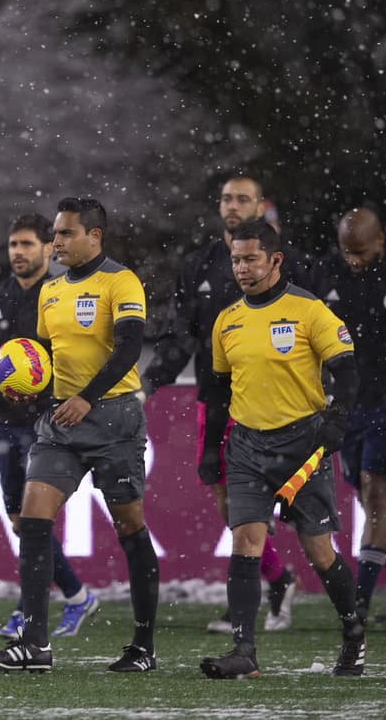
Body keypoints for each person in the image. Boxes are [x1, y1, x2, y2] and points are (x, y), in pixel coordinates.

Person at [0, 197, 159, 673]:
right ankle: (35, 645)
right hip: (60, 421)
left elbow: (130, 348)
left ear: (93, 236)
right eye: (54, 234)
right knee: (33, 520)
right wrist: (27, 388)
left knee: (130, 529)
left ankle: (143, 647)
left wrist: (89, 397)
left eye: (64, 234)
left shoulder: (122, 281)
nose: (55, 241)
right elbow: (46, 356)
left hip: (114, 419)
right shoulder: (51, 292)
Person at [200, 218, 365, 679]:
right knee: (246, 542)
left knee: (318, 552)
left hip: (302, 444)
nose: (242, 268)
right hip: (247, 444)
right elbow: (216, 393)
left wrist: (337, 420)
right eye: (236, 259)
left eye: (251, 259)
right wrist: (212, 451)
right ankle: (244, 652)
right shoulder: (226, 320)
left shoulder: (309, 310)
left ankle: (354, 632)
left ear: (275, 259)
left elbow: (348, 371)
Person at [140, 174, 300, 633]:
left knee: (284, 507)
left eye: (242, 198)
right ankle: (275, 578)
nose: (232, 206)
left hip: (277, 401)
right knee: (226, 495)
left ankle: (340, 601)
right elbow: (180, 334)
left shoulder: (285, 264)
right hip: (218, 399)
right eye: (227, 198)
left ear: (259, 204)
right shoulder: (200, 265)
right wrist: (153, 380)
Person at [0, 212, 99, 639]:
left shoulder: (59, 295)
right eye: (14, 245)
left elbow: (76, 356)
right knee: (21, 521)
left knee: (36, 521)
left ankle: (25, 610)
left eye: (28, 244)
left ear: (47, 249)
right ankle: (77, 596)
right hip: (7, 424)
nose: (18, 252)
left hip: (48, 425)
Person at [310, 207, 386, 624]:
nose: (353, 260)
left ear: (380, 241)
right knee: (365, 497)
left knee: (377, 495)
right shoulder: (325, 274)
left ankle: (358, 602)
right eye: (346, 252)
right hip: (347, 403)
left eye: (360, 251)